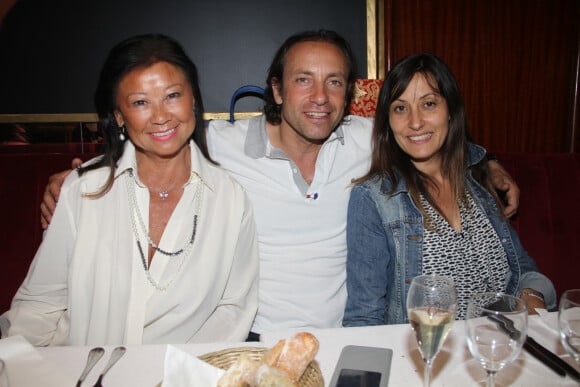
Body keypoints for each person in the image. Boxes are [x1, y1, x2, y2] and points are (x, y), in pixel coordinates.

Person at [38, 31, 520, 338]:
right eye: (303, 80)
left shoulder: (362, 138)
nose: (319, 98)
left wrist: (488, 163)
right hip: (251, 336)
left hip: (341, 337)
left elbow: (427, 131)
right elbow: (162, 133)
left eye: (334, 82)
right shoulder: (223, 144)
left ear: (349, 93)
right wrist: (82, 174)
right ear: (275, 89)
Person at [0, 34, 259, 345]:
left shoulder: (230, 199)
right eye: (140, 102)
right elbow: (40, 305)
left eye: (172, 95)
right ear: (120, 116)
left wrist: (183, 371)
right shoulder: (82, 192)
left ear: (193, 99)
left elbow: (233, 309)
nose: (161, 116)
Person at [342, 52, 555, 326]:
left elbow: (522, 267)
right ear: (388, 121)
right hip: (427, 357)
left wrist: (532, 295)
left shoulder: (478, 179)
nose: (415, 122)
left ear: (451, 111)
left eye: (428, 104)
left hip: (502, 347)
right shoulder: (375, 199)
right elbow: (364, 317)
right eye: (400, 108)